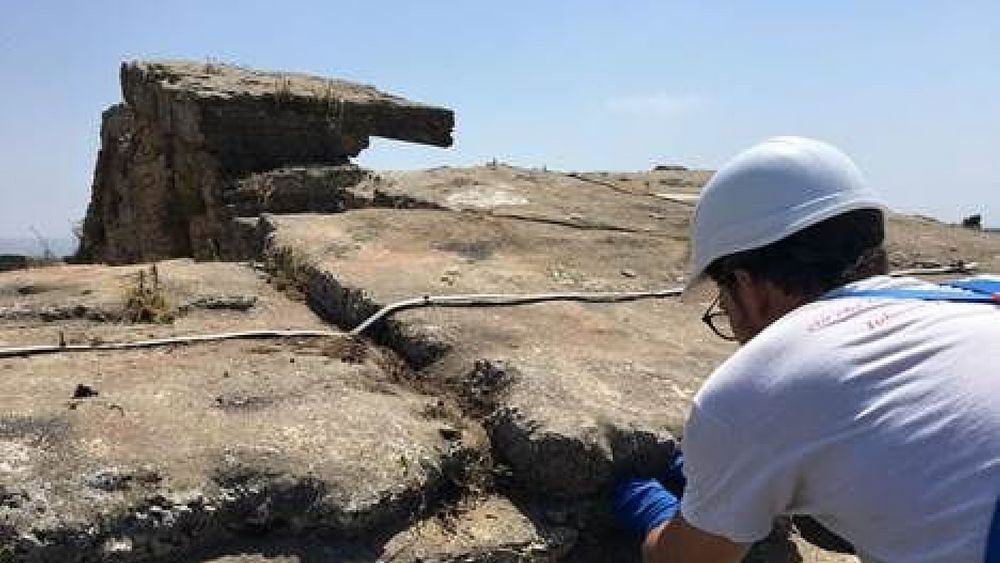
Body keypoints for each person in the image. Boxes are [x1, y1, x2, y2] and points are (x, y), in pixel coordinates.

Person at [613, 136, 1000, 563]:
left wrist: (650, 508)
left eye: (722, 306)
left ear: (745, 287)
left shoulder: (761, 383)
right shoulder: (981, 298)